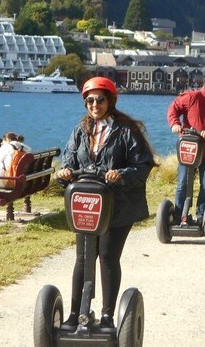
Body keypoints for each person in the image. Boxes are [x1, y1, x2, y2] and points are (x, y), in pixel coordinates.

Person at [56, 77, 154, 332]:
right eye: (90, 100)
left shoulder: (125, 130)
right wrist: (66, 172)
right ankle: (75, 314)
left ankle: (108, 316)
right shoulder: (81, 130)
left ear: (110, 100)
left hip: (118, 205)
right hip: (87, 203)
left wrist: (120, 174)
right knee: (83, 258)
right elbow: (69, 159)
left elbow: (143, 164)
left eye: (100, 99)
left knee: (108, 257)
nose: (95, 104)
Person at [167, 70, 205, 224]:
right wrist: (175, 124)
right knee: (183, 183)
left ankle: (201, 215)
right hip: (189, 148)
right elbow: (173, 109)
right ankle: (179, 215)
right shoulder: (192, 97)